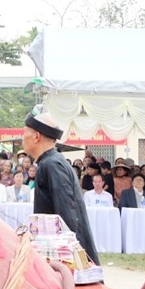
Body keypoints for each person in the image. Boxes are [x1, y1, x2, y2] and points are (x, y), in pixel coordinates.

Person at [22, 112, 100, 266]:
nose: (22, 138)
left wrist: (76, 260)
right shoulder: (50, 162)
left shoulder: (52, 165)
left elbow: (67, 213)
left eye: (24, 133)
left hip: (66, 258)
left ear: (36, 136)